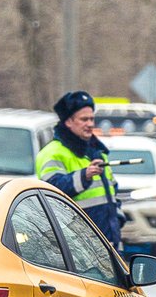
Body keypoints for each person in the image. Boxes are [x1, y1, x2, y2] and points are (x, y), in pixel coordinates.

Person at [36, 90, 122, 246]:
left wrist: (118, 219)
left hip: (109, 242)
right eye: (84, 119)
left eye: (91, 119)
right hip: (76, 247)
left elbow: (113, 191)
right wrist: (84, 176)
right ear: (69, 122)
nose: (90, 124)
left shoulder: (97, 152)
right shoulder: (52, 153)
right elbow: (51, 190)